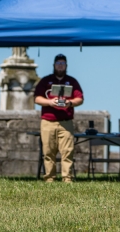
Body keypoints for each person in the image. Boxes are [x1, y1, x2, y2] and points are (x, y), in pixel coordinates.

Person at [34, 54, 84, 183]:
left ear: (66, 66)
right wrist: (50, 102)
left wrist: (70, 103)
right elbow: (37, 98)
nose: (60, 66)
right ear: (54, 65)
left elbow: (80, 98)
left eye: (62, 63)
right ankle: (50, 178)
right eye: (58, 63)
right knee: (48, 151)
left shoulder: (72, 81)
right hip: (48, 121)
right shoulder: (45, 81)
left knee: (67, 152)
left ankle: (67, 179)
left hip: (66, 122)